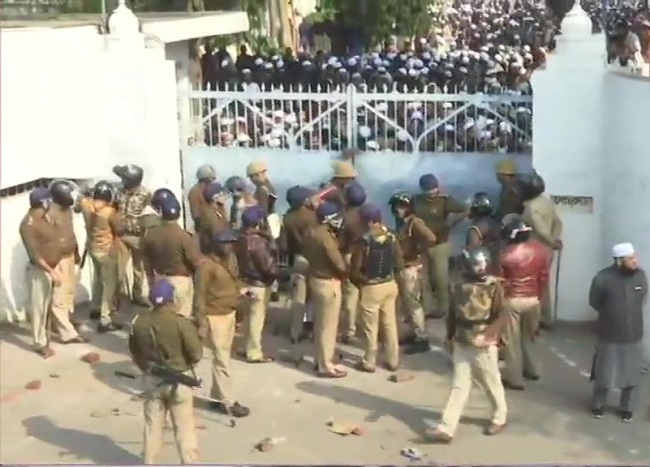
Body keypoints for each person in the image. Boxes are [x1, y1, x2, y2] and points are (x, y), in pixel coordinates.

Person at [426, 247, 508, 444]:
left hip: (483, 342)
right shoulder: (459, 284)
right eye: (477, 264)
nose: (480, 268)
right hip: (462, 340)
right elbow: (453, 312)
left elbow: (501, 315)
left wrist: (490, 336)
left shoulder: (494, 286)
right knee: (459, 385)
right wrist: (450, 335)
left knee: (491, 382)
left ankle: (500, 416)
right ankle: (447, 427)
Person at [128, 278, 203, 464]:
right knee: (184, 428)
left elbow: (134, 351)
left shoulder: (139, 323)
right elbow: (196, 354)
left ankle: (149, 461)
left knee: (153, 426)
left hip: (153, 380)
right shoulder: (181, 323)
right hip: (180, 381)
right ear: (172, 299)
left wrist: (145, 368)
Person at [20, 188, 83, 357]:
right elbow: (35, 256)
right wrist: (51, 271)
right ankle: (39, 343)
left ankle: (54, 335)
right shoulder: (28, 224)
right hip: (40, 270)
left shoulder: (46, 217)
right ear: (44, 203)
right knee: (39, 308)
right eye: (48, 201)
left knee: (51, 303)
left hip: (52, 266)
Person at [194, 230, 251, 418]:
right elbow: (199, 297)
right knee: (221, 360)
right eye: (227, 243)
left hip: (229, 314)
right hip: (214, 317)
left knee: (224, 356)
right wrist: (201, 322)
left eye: (232, 242)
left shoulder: (230, 260)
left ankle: (216, 398)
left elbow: (235, 281)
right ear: (217, 245)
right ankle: (229, 401)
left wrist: (242, 290)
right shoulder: (206, 267)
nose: (231, 246)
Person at [588, 242, 647, 422]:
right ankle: (598, 405)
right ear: (619, 260)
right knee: (604, 373)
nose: (635, 261)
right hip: (609, 335)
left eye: (634, 257)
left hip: (634, 335)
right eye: (630, 259)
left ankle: (626, 408)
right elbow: (594, 301)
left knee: (632, 376)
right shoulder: (602, 278)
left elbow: (642, 298)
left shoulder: (640, 276)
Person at [349, 203, 404, 372]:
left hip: (371, 287)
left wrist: (361, 282)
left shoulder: (364, 241)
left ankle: (369, 361)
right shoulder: (392, 236)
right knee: (390, 324)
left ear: (368, 222)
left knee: (370, 327)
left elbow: (355, 269)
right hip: (389, 285)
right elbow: (400, 263)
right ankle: (393, 360)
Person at [499, 217, 550, 390]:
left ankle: (514, 378)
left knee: (511, 341)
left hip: (512, 299)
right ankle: (533, 369)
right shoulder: (541, 251)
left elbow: (501, 281)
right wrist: (539, 297)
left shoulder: (506, 254)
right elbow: (543, 278)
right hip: (533, 299)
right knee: (530, 336)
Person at [302, 201, 348, 378]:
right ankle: (325, 365)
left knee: (320, 324)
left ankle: (320, 359)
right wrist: (345, 271)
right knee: (328, 326)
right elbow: (337, 262)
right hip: (328, 282)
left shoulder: (311, 232)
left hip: (315, 278)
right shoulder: (326, 237)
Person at [388, 191, 437, 354]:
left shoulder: (414, 223)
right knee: (406, 305)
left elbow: (430, 238)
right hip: (403, 267)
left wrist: (417, 251)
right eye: (395, 207)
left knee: (414, 304)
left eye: (401, 206)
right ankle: (412, 333)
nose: (397, 210)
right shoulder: (402, 223)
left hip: (411, 268)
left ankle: (421, 338)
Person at [142, 193, 203, 319]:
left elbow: (146, 262)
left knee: (162, 317)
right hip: (181, 281)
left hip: (160, 279)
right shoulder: (183, 236)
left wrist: (151, 282)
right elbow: (195, 261)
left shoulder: (150, 234)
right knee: (182, 317)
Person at [414, 173, 467, 318]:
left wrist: (452, 223)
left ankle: (443, 307)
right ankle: (427, 307)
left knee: (440, 277)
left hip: (440, 244)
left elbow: (465, 209)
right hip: (422, 245)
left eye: (433, 188)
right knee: (423, 278)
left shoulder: (444, 200)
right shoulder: (416, 201)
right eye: (428, 189)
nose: (431, 191)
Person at [234, 205, 281, 363]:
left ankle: (244, 347)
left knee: (247, 318)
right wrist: (278, 273)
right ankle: (254, 352)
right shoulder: (258, 242)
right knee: (256, 319)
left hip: (244, 281)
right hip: (259, 284)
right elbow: (267, 267)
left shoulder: (239, 238)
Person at [517, 171, 562, 329]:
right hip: (547, 250)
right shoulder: (545, 200)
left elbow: (540, 230)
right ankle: (546, 317)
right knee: (544, 284)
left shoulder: (531, 207)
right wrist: (554, 240)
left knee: (533, 286)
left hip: (535, 249)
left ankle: (536, 321)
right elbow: (557, 222)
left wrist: (550, 240)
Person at [278, 185, 319, 343]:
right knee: (314, 296)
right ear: (304, 200)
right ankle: (311, 327)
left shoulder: (288, 218)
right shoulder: (313, 216)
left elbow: (283, 245)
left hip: (297, 259)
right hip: (314, 259)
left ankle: (295, 332)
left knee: (298, 298)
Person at [84, 181, 126, 333]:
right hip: (106, 250)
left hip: (93, 247)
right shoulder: (109, 212)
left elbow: (80, 201)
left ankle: (95, 308)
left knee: (97, 280)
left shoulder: (87, 206)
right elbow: (120, 230)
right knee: (109, 285)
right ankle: (105, 319)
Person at [48, 179, 85, 334]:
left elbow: (70, 233)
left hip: (69, 255)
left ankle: (66, 319)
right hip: (58, 259)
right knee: (59, 295)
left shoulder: (67, 210)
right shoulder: (51, 213)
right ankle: (67, 333)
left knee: (69, 291)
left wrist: (76, 253)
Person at [113, 164, 152, 307]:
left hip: (138, 236)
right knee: (118, 269)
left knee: (138, 269)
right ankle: (118, 297)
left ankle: (137, 295)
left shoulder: (146, 194)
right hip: (121, 235)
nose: (123, 181)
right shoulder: (119, 191)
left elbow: (149, 214)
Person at [339, 181, 367, 344]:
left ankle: (350, 330)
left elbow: (341, 243)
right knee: (368, 292)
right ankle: (368, 327)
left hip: (350, 255)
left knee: (350, 293)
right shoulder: (370, 212)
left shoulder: (346, 218)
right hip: (368, 254)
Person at [466, 192, 502, 274]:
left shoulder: (475, 228)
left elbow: (474, 250)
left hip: (485, 265)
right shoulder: (496, 223)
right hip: (499, 261)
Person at [196, 181, 230, 255]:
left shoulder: (218, 209)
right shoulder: (211, 214)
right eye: (222, 194)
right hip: (215, 254)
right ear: (215, 197)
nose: (225, 197)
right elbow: (218, 237)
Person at [187, 164, 217, 231]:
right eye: (211, 178)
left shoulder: (210, 189)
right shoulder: (194, 192)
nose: (213, 181)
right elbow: (196, 215)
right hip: (203, 228)